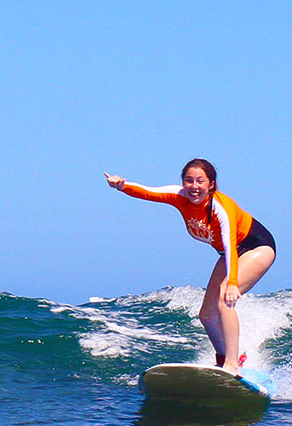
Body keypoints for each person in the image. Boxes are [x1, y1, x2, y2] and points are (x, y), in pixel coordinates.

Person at [104, 159, 276, 376]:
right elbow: (148, 192)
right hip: (228, 253)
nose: (194, 186)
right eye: (189, 180)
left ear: (211, 184)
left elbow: (230, 244)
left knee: (225, 298)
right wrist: (121, 185)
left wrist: (232, 283)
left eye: (200, 181)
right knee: (206, 315)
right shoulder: (180, 197)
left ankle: (232, 365)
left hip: (256, 247)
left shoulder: (221, 208)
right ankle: (225, 358)